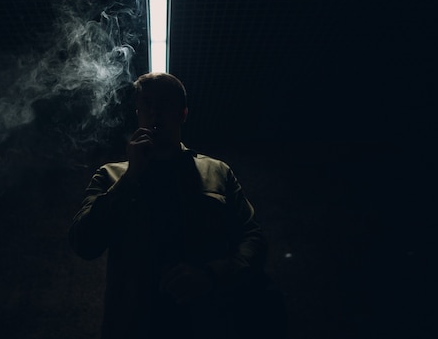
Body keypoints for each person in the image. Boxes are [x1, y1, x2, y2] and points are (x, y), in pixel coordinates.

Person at [69, 72, 286, 339]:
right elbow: (84, 243)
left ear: (182, 114)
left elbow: (253, 237)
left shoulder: (217, 171)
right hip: (133, 327)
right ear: (138, 113)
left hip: (207, 324)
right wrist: (130, 178)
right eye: (146, 103)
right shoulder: (110, 176)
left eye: (164, 103)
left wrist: (211, 275)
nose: (154, 111)